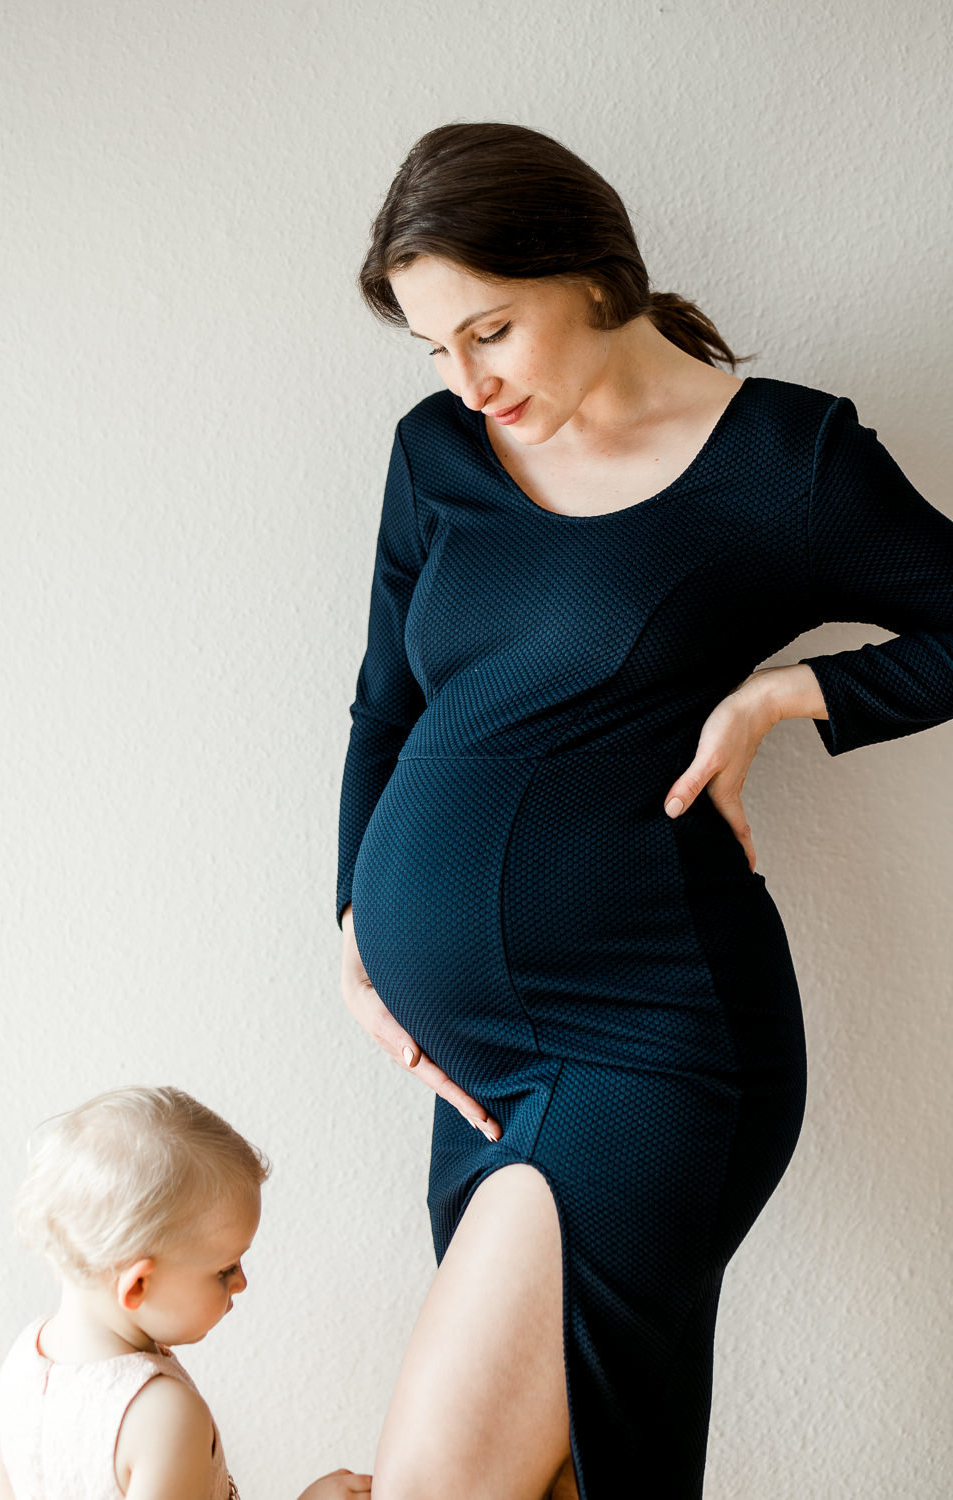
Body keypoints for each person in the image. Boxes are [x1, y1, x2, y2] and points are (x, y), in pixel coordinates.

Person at [335, 121, 953, 1500]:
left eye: (490, 331)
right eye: (436, 349)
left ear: (592, 273)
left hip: (649, 1039)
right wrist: (354, 927)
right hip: (474, 1068)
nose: (469, 381)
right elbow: (385, 710)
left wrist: (787, 698)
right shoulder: (436, 456)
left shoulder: (783, 459)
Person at [0, 1085, 372, 1500]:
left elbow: (3, 1486)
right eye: (225, 1269)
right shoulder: (165, 1416)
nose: (242, 1282)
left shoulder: (25, 1357)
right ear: (138, 1285)